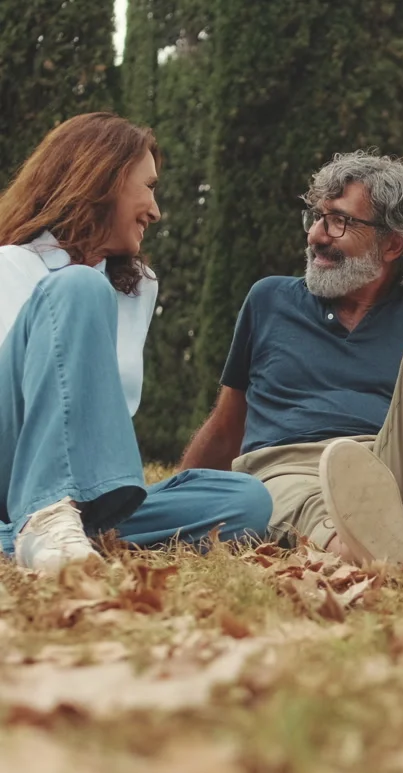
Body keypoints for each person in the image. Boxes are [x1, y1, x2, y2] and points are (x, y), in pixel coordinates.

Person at [181, 150, 403, 572]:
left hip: (391, 467)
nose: (317, 236)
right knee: (297, 500)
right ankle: (378, 559)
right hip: (289, 472)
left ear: (393, 243)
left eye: (340, 221)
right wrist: (177, 494)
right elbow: (228, 425)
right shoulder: (269, 299)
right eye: (318, 217)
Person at [0, 112, 272, 574]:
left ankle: (51, 537)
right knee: (79, 286)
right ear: (102, 179)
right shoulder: (10, 265)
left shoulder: (137, 288)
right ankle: (43, 520)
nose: (156, 209)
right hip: (10, 471)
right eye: (147, 187)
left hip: (89, 499)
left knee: (246, 500)